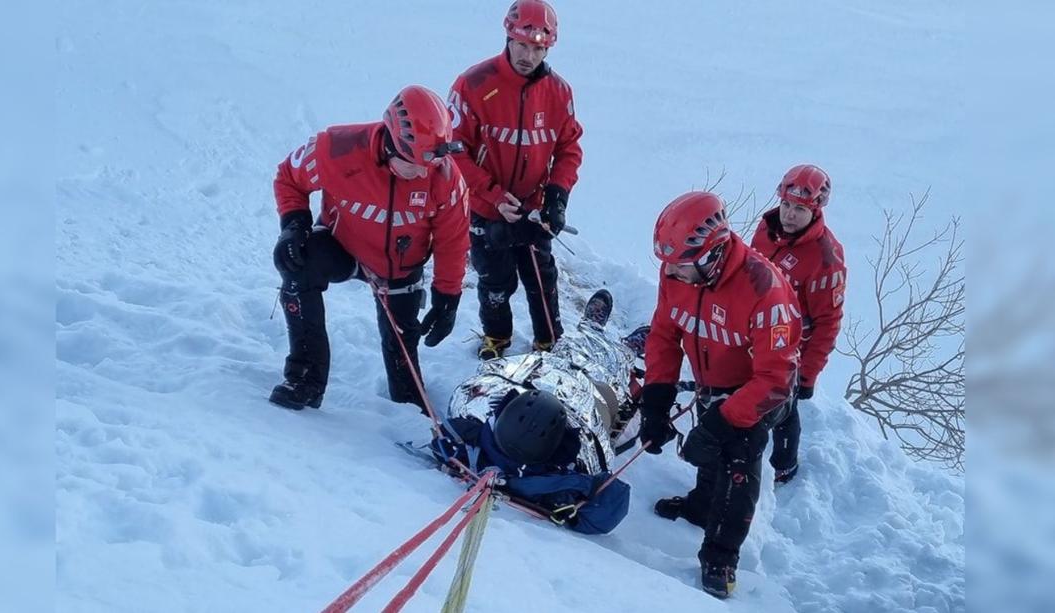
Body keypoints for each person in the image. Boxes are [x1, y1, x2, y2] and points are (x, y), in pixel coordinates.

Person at [639, 191, 801, 599]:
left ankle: (721, 556)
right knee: (705, 445)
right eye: (667, 265)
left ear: (712, 256)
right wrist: (655, 400)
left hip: (762, 391)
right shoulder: (677, 273)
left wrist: (725, 420)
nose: (671, 273)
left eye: (681, 265)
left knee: (736, 462)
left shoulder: (764, 290)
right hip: (713, 378)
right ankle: (699, 506)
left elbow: (776, 378)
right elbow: (664, 334)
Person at [269, 85, 470, 410]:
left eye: (429, 163)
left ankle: (409, 412)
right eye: (412, 163)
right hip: (342, 248)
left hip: (400, 267)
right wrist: (294, 226)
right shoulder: (336, 149)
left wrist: (448, 298)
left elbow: (453, 241)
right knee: (298, 266)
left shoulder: (444, 177)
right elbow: (288, 177)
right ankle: (304, 377)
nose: (422, 171)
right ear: (391, 142)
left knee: (404, 356)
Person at [429, 289, 635, 534]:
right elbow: (611, 504)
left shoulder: (472, 439)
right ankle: (628, 349)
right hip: (587, 398)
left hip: (544, 377)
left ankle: (593, 328)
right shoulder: (557, 482)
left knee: (570, 352)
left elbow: (461, 409)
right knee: (611, 377)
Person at [447, 0, 584, 360]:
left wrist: (557, 197)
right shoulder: (472, 84)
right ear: (507, 37)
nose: (529, 55)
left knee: (542, 278)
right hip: (486, 207)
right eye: (522, 45)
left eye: (538, 48)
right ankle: (496, 339)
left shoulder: (559, 92)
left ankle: (550, 342)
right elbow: (454, 152)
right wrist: (492, 196)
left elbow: (569, 148)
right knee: (495, 280)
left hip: (534, 206)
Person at [750, 164, 847, 484]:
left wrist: (808, 374)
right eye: (787, 205)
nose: (789, 215)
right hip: (754, 331)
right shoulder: (766, 230)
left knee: (784, 406)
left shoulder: (826, 258)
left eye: (800, 209)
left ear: (816, 210)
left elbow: (828, 321)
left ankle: (784, 463)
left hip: (791, 347)